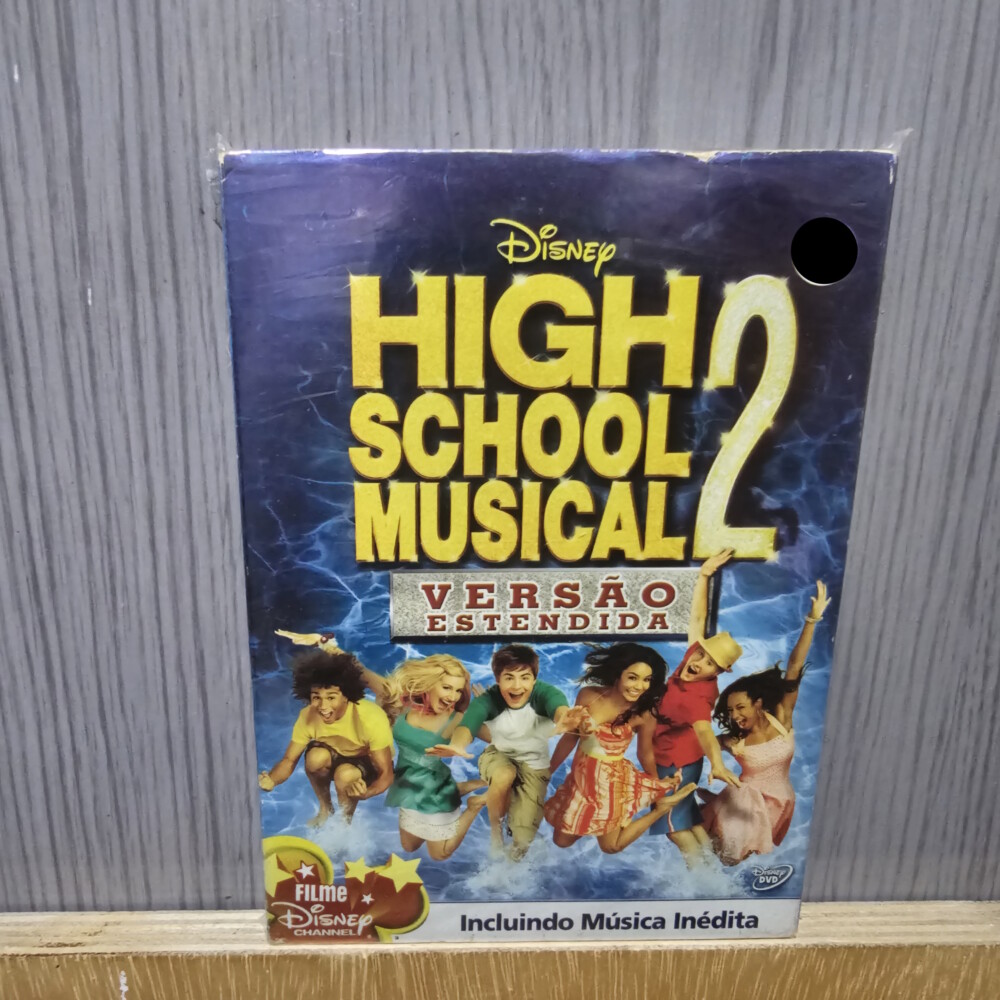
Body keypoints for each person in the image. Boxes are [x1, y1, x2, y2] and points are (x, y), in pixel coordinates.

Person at [699, 581, 829, 865]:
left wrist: (811, 620)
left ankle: (705, 810)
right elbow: (699, 743)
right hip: (742, 803)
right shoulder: (735, 740)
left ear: (758, 703)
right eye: (730, 711)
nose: (735, 716)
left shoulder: (781, 718)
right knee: (723, 859)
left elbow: (794, 667)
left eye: (740, 708)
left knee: (731, 860)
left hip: (779, 802)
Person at [426, 644, 587, 859]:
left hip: (534, 767)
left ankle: (484, 803)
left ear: (534, 679)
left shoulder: (546, 693)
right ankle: (496, 834)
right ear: (498, 679)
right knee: (505, 774)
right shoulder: (488, 700)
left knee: (522, 843)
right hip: (499, 755)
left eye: (525, 677)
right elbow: (468, 725)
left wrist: (564, 719)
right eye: (509, 678)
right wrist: (457, 745)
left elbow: (558, 709)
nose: (517, 686)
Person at [639, 549, 743, 867]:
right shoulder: (693, 658)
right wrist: (704, 575)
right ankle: (715, 873)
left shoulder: (698, 697)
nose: (699, 661)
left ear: (719, 672)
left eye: (710, 663)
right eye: (700, 655)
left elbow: (704, 730)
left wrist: (718, 764)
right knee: (688, 818)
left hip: (677, 762)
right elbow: (697, 619)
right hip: (681, 757)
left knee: (674, 828)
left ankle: (701, 880)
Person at [544, 644, 697, 854]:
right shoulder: (589, 696)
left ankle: (660, 810)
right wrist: (548, 771)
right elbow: (570, 737)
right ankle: (596, 820)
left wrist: (656, 788)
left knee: (611, 846)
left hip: (610, 782)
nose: (639, 686)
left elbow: (645, 753)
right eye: (633, 678)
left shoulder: (644, 713)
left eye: (646, 680)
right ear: (617, 674)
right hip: (582, 778)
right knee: (561, 841)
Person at [362, 654, 488, 859]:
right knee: (409, 846)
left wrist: (488, 709)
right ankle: (459, 788)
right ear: (429, 684)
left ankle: (474, 805)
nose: (453, 697)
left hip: (435, 791)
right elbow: (364, 674)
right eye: (447, 688)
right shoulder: (404, 705)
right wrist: (327, 646)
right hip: (408, 785)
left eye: (458, 690)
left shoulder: (457, 719)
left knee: (440, 854)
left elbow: (499, 737)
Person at [258, 646, 394, 826]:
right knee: (315, 758)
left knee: (345, 774)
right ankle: (325, 808)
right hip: (334, 755)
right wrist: (272, 780)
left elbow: (386, 773)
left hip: (366, 761)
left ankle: (344, 822)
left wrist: (367, 793)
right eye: (316, 697)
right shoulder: (307, 716)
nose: (323, 706)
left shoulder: (371, 717)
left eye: (331, 697)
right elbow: (289, 760)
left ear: (346, 696)